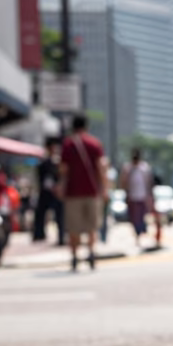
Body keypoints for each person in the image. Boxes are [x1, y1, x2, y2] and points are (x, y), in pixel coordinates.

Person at [60, 113, 107, 270]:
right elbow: (101, 168)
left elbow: (63, 169)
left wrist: (61, 186)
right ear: (86, 126)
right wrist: (105, 189)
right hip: (92, 192)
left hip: (73, 193)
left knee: (73, 227)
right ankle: (91, 253)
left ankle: (74, 257)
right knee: (92, 226)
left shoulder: (68, 144)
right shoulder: (95, 144)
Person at [33, 137, 64, 244]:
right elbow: (41, 178)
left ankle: (61, 237)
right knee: (39, 214)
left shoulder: (59, 161)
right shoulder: (44, 162)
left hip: (57, 192)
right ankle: (39, 235)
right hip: (46, 192)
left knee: (60, 215)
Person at [121, 148, 152, 249]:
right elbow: (124, 182)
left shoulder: (144, 167)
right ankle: (137, 236)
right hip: (132, 198)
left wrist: (149, 196)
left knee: (142, 218)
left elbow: (148, 182)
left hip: (142, 197)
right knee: (134, 219)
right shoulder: (128, 168)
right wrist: (126, 194)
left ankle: (141, 233)